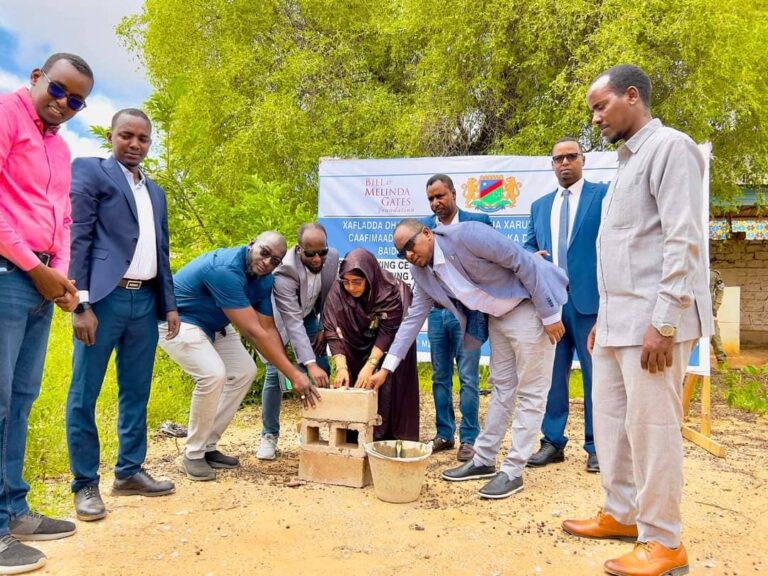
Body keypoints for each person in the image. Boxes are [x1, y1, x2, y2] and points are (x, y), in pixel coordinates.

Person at [562, 65, 711, 576]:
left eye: (601, 106)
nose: (596, 118)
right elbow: (623, 249)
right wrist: (605, 316)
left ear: (632, 96)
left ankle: (664, 542)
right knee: (612, 426)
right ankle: (622, 513)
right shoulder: (627, 162)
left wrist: (664, 323)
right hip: (618, 323)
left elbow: (682, 240)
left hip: (655, 325)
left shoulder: (672, 148)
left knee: (652, 430)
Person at [369, 219, 568, 500]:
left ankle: (513, 471)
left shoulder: (468, 235)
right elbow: (413, 319)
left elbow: (524, 262)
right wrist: (386, 369)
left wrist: (549, 315)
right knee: (501, 388)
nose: (409, 256)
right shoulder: (422, 273)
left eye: (410, 246)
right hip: (498, 317)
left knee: (531, 393)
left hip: (530, 306)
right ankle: (484, 459)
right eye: (402, 254)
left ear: (426, 233)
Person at [0, 53, 93, 574]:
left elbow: (62, 218)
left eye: (76, 101)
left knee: (19, 399)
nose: (64, 104)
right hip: (7, 274)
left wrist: (59, 276)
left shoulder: (61, 147)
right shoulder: (6, 114)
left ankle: (14, 511)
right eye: (58, 90)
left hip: (38, 281)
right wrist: (33, 268)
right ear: (36, 77)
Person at [66, 109, 179, 523]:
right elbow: (78, 235)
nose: (134, 144)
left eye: (143, 138)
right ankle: (84, 484)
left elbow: (161, 251)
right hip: (104, 301)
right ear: (111, 136)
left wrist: (169, 303)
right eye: (126, 136)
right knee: (84, 395)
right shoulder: (92, 172)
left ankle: (129, 472)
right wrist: (81, 303)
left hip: (145, 303)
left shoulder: (157, 192)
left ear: (150, 142)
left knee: (136, 392)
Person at [159, 233, 319, 481]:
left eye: (275, 261)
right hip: (179, 321)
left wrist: (287, 369)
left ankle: (207, 445)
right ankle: (192, 453)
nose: (267, 262)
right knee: (213, 375)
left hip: (215, 324)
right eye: (264, 253)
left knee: (245, 371)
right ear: (252, 243)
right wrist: (294, 374)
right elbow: (252, 331)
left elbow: (267, 328)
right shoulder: (225, 269)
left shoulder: (264, 280)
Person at [524, 138, 608, 473]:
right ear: (552, 164)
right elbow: (529, 244)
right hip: (553, 307)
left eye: (571, 156)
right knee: (553, 378)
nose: (564, 163)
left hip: (590, 305)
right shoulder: (540, 206)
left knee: (596, 378)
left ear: (582, 160)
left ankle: (597, 445)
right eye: (558, 158)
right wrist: (531, 255)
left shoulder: (601, 197)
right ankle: (553, 442)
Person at [421, 174, 491, 462]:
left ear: (453, 194)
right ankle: (445, 434)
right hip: (437, 313)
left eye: (441, 196)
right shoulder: (424, 229)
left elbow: (494, 261)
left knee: (469, 379)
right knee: (439, 377)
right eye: (431, 199)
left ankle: (470, 438)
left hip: (469, 314)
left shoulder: (479, 222)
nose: (437, 202)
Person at [257, 223, 339, 460]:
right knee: (276, 374)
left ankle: (313, 428)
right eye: (310, 253)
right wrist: (307, 363)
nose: (317, 259)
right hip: (279, 321)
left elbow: (331, 297)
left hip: (310, 315)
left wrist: (323, 326)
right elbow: (292, 322)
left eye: (321, 252)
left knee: (322, 367)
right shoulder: (285, 271)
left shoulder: (330, 258)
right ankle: (269, 435)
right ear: (298, 249)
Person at [323, 248, 419, 441]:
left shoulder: (390, 290)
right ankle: (354, 433)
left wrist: (371, 365)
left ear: (370, 277)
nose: (351, 287)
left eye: (357, 282)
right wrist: (341, 367)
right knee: (352, 379)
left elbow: (388, 332)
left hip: (388, 344)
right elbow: (332, 329)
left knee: (387, 384)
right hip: (355, 345)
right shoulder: (338, 289)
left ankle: (388, 437)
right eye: (346, 282)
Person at [710, 267, 727, 365]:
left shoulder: (714, 274)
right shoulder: (692, 272)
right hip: (693, 311)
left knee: (715, 335)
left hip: (710, 310)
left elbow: (720, 290)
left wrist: (716, 306)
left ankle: (722, 362)